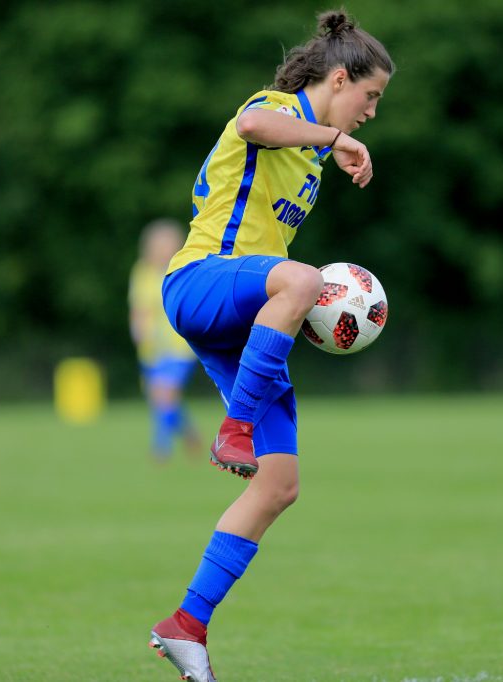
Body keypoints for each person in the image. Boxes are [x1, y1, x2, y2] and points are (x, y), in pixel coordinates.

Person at [148, 9, 394, 681]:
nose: (371, 111)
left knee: (280, 484)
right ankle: (232, 430)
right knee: (304, 277)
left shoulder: (310, 156)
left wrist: (291, 311)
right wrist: (332, 135)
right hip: (197, 282)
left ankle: (188, 624)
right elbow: (254, 125)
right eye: (368, 96)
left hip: (239, 307)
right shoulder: (279, 110)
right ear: (339, 78)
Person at [129, 219, 203, 460]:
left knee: (165, 394)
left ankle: (161, 448)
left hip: (179, 346)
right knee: (160, 399)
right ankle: (190, 433)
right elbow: (139, 307)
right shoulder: (142, 271)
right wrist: (138, 328)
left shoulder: (182, 270)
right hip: (151, 349)